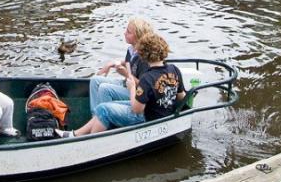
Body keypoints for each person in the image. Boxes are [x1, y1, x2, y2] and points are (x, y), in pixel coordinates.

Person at [57, 30, 186, 137]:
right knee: (105, 106)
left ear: (144, 55)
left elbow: (137, 109)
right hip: (160, 112)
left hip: (148, 118)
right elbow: (182, 96)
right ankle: (75, 135)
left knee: (103, 109)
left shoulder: (147, 78)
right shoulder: (174, 69)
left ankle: (90, 142)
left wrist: (132, 88)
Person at [88, 18, 155, 114]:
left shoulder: (144, 58)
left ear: (138, 36)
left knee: (104, 89)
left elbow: (143, 85)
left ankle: (104, 120)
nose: (124, 33)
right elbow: (129, 61)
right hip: (126, 84)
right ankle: (95, 116)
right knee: (95, 80)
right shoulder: (132, 50)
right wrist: (111, 64)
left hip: (136, 93)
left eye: (128, 32)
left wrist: (126, 74)